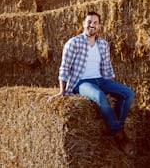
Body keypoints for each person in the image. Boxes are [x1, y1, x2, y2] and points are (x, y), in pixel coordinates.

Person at [47, 11, 135, 156]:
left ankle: (115, 129)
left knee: (128, 94)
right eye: (89, 22)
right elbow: (64, 67)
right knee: (100, 96)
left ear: (99, 26)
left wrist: (114, 88)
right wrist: (62, 91)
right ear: (83, 24)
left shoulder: (103, 44)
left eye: (95, 22)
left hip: (100, 80)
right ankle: (119, 135)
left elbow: (107, 68)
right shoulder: (73, 43)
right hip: (81, 82)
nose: (91, 25)